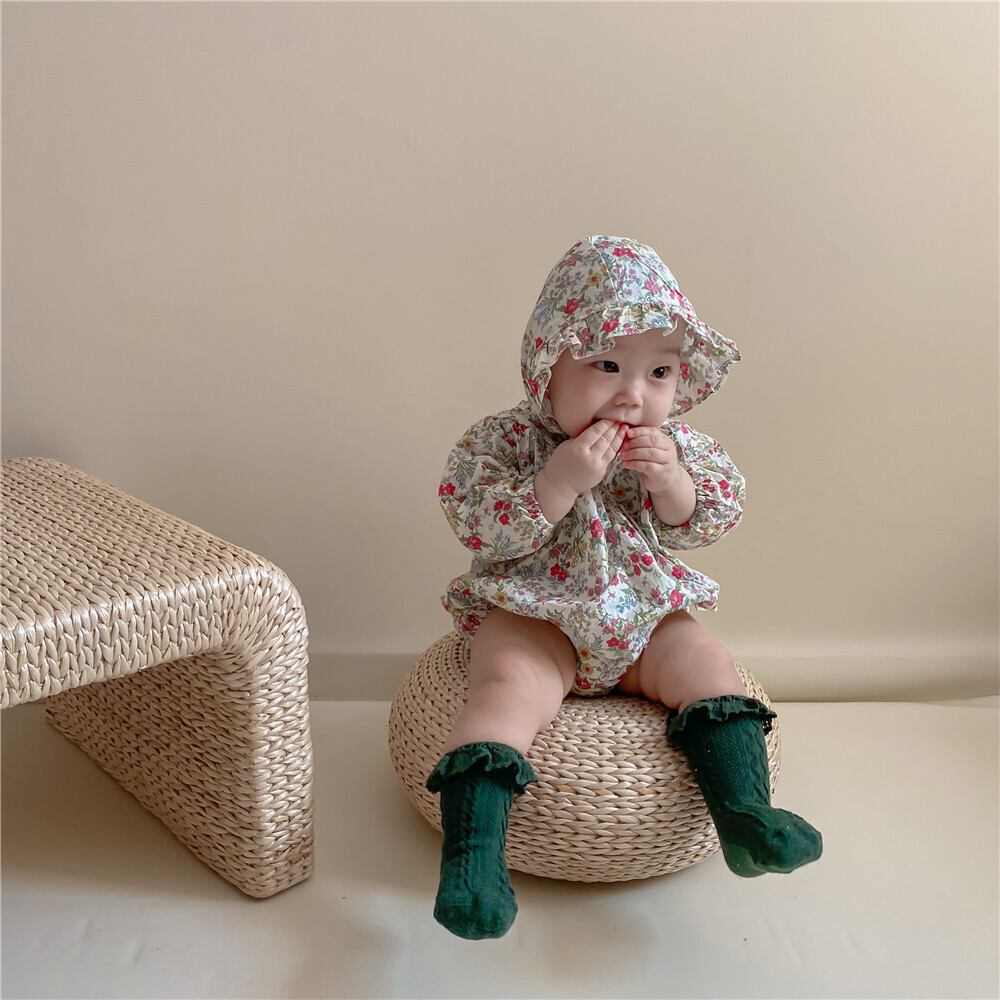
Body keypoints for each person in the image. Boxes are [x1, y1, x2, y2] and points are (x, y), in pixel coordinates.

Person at [429, 235, 822, 940]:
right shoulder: (508, 442)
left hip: (641, 617)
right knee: (505, 690)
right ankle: (474, 859)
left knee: (708, 663)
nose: (633, 394)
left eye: (659, 372)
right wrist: (556, 483)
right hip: (537, 615)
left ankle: (743, 814)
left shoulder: (676, 446)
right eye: (607, 364)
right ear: (547, 366)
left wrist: (671, 482)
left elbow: (707, 517)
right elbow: (477, 520)